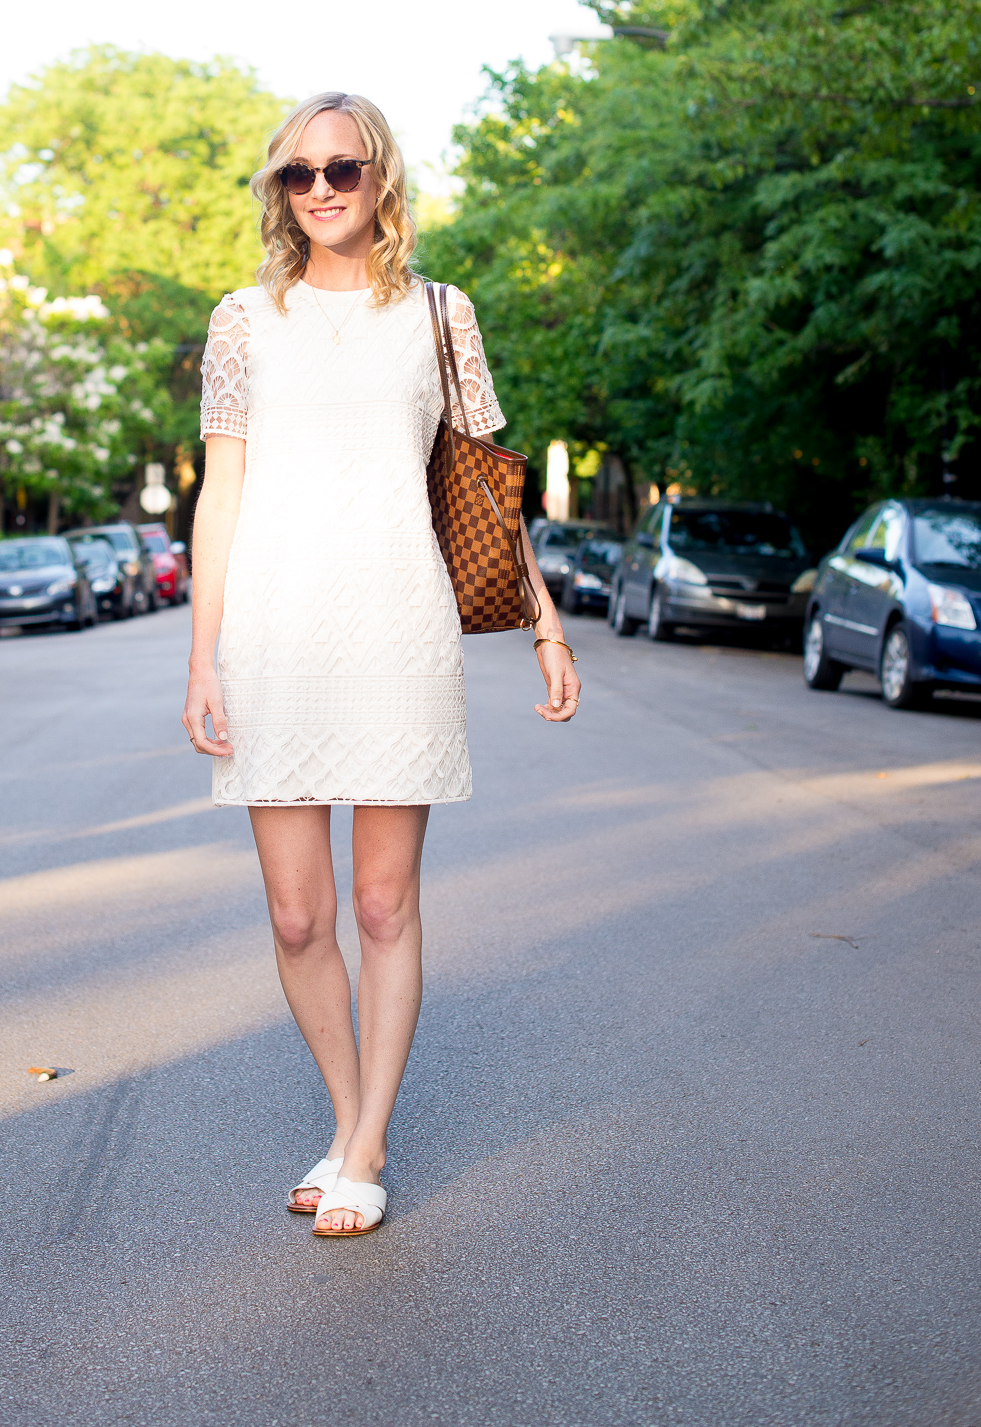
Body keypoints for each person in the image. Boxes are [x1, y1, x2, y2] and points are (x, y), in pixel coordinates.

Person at [181, 91, 580, 1237]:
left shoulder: (442, 315)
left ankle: (359, 1151)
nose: (318, 192)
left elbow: (483, 492)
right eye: (296, 175)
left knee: (382, 902)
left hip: (397, 628)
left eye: (341, 170)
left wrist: (545, 621)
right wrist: (203, 656)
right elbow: (222, 497)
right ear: (277, 191)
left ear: (381, 179)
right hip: (272, 634)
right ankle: (356, 1123)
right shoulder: (244, 319)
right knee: (301, 918)